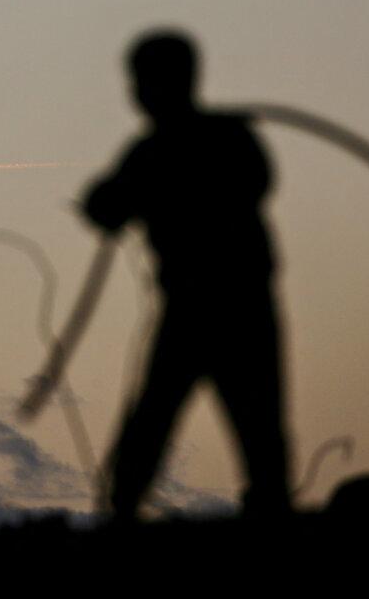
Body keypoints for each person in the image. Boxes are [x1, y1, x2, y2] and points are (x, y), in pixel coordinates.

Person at [84, 29, 291, 519]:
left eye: (141, 81)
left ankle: (124, 511)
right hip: (228, 307)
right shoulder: (190, 145)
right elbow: (106, 206)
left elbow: (106, 208)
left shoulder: (163, 151)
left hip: (213, 308)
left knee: (227, 422)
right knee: (232, 423)